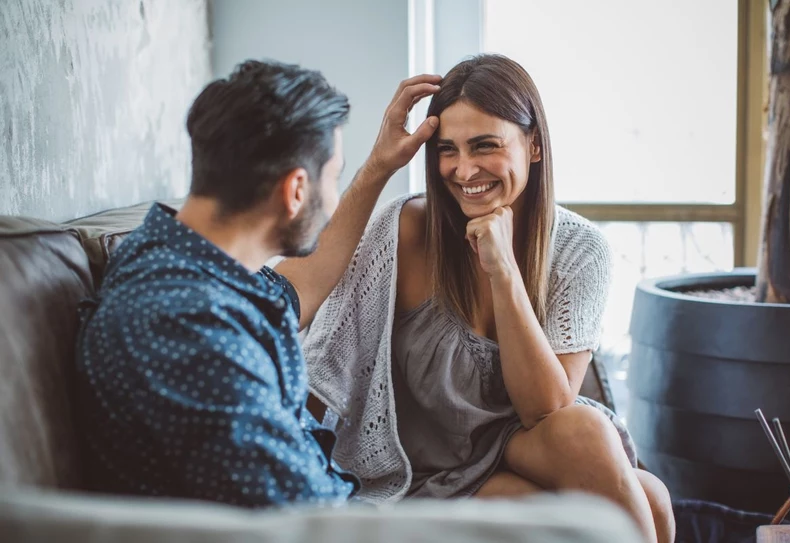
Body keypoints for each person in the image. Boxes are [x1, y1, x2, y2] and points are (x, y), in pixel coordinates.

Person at [302, 54, 675, 543]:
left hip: (522, 443)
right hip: (423, 472)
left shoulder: (581, 250)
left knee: (644, 490)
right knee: (594, 509)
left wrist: (503, 270)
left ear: (534, 145)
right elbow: (319, 346)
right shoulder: (408, 231)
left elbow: (546, 410)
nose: (463, 169)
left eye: (485, 146)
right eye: (447, 149)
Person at [74, 59, 441, 507]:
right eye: (333, 178)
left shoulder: (185, 263)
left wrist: (379, 166)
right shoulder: (187, 330)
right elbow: (310, 520)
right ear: (295, 191)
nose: (330, 200)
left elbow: (297, 290)